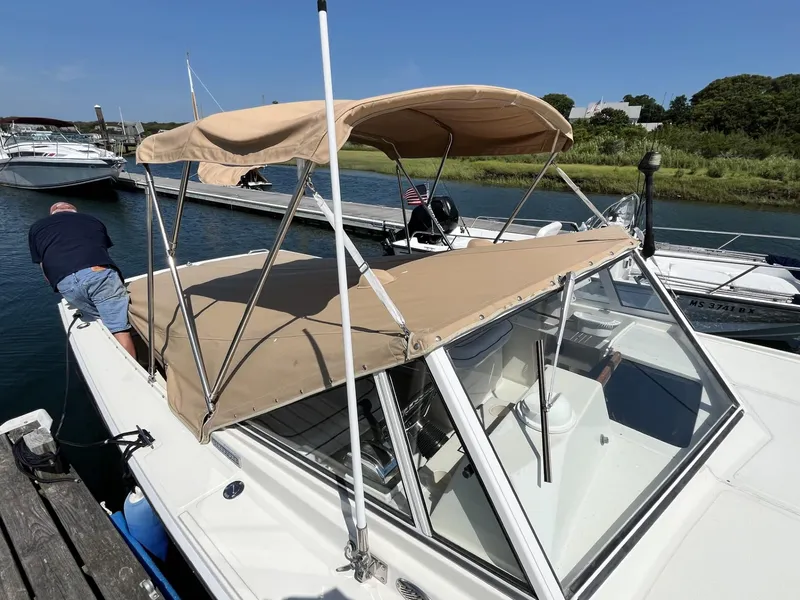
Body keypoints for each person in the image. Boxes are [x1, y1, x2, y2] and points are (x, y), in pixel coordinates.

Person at [29, 202, 136, 358]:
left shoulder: (36, 228)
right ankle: (131, 374)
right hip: (97, 273)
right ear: (74, 211)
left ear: (52, 213)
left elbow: (44, 267)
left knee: (102, 318)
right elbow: (101, 250)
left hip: (64, 282)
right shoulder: (92, 220)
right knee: (119, 329)